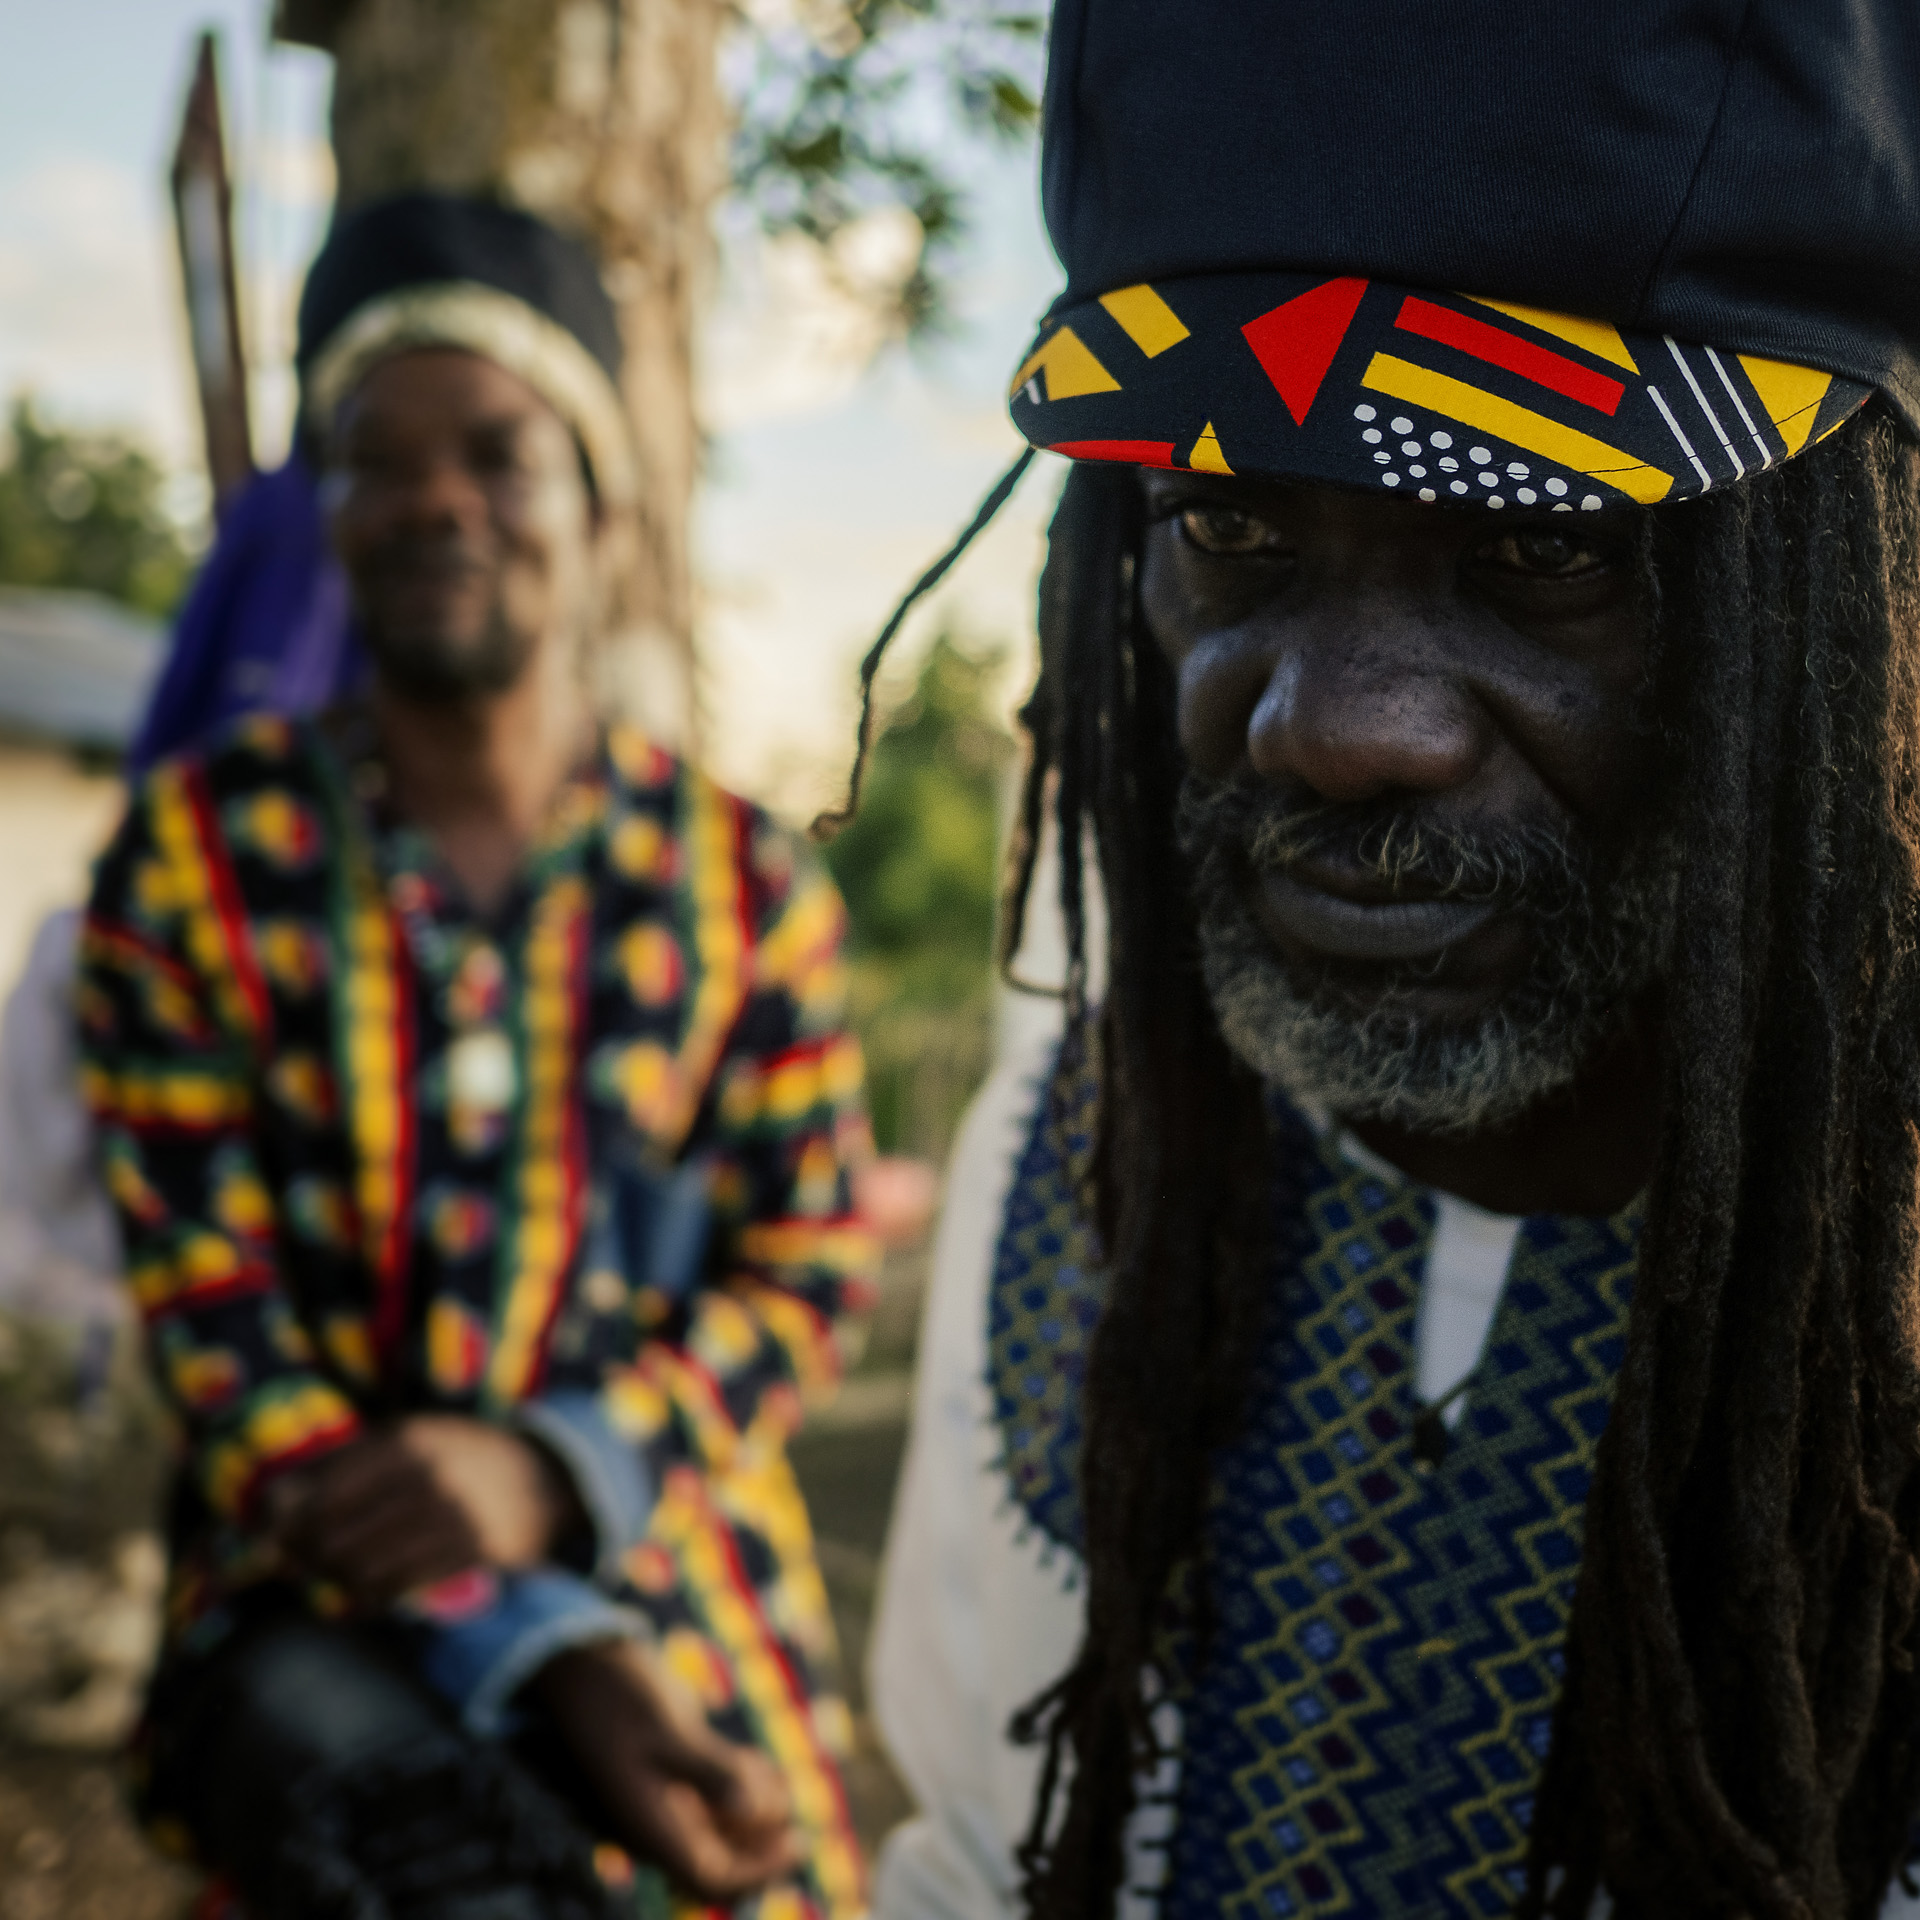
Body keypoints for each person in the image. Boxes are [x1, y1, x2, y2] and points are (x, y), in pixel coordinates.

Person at [866, 3, 1920, 1916]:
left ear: (1849, 579)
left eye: (1550, 550)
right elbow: (962, 1858)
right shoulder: (1085, 1172)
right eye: (1230, 522)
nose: (1342, 725)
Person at [79, 192, 878, 1920]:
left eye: (502, 455)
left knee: (741, 1861)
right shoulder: (192, 866)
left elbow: (809, 1262)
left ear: (603, 514)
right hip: (317, 1592)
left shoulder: (745, 886)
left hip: (689, 1577)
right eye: (380, 459)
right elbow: (208, 1322)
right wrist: (534, 1640)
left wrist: (559, 1472)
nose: (438, 498)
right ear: (332, 518)